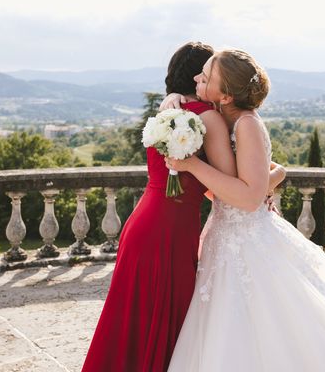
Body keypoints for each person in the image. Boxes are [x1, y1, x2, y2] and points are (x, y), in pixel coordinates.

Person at [164, 49, 325, 372]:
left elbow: (248, 198)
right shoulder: (225, 119)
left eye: (206, 77)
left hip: (248, 242)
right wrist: (174, 98)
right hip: (225, 237)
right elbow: (243, 182)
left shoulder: (245, 124)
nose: (197, 79)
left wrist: (191, 166)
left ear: (227, 95)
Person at [82, 42, 285, 372]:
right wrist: (276, 175)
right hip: (171, 232)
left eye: (208, 75)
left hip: (142, 224)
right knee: (167, 325)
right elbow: (232, 191)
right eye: (206, 72)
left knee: (128, 326)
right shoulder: (209, 119)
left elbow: (207, 185)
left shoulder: (168, 113)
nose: (201, 77)